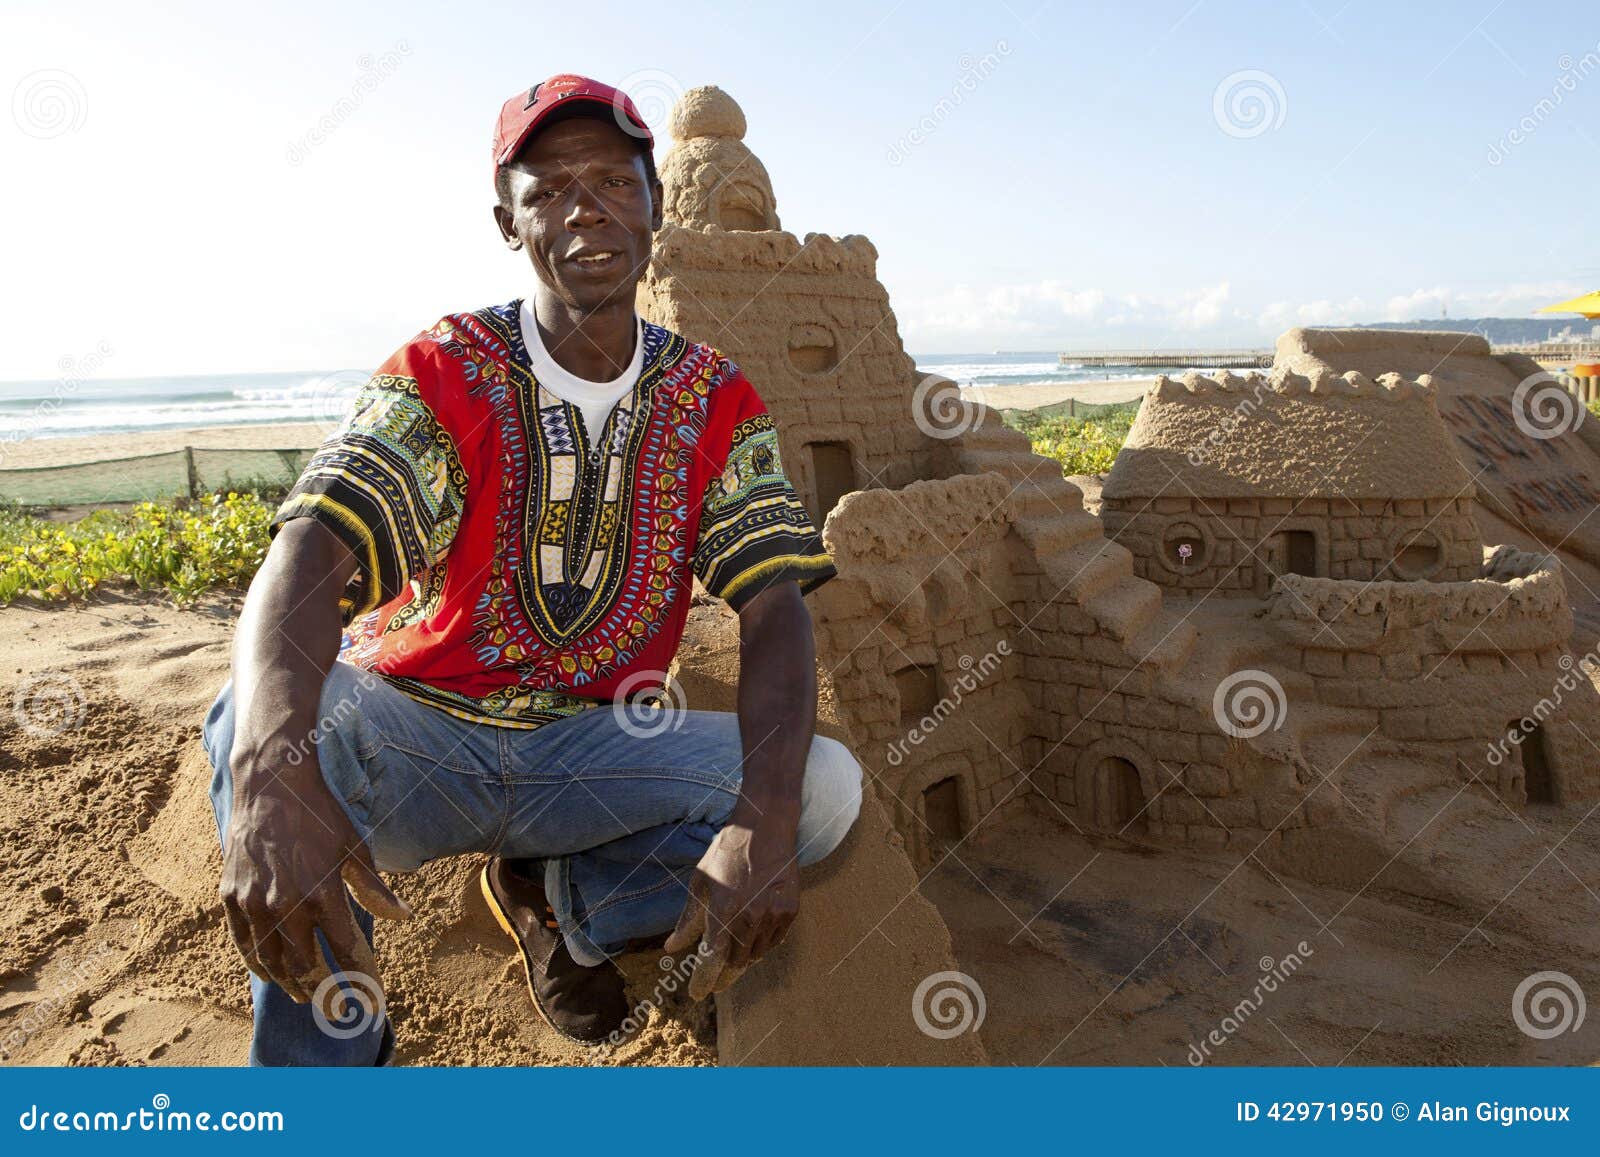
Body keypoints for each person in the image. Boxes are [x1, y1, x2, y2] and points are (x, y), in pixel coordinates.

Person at [201, 74, 863, 1064]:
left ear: (655, 204)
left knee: (821, 790)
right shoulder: (448, 368)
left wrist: (760, 823)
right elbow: (309, 549)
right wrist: (262, 778)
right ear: (507, 222)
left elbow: (772, 605)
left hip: (590, 750)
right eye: (547, 187)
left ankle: (566, 897)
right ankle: (328, 1066)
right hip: (412, 743)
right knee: (254, 721)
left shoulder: (714, 398)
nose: (584, 205)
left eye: (611, 179)